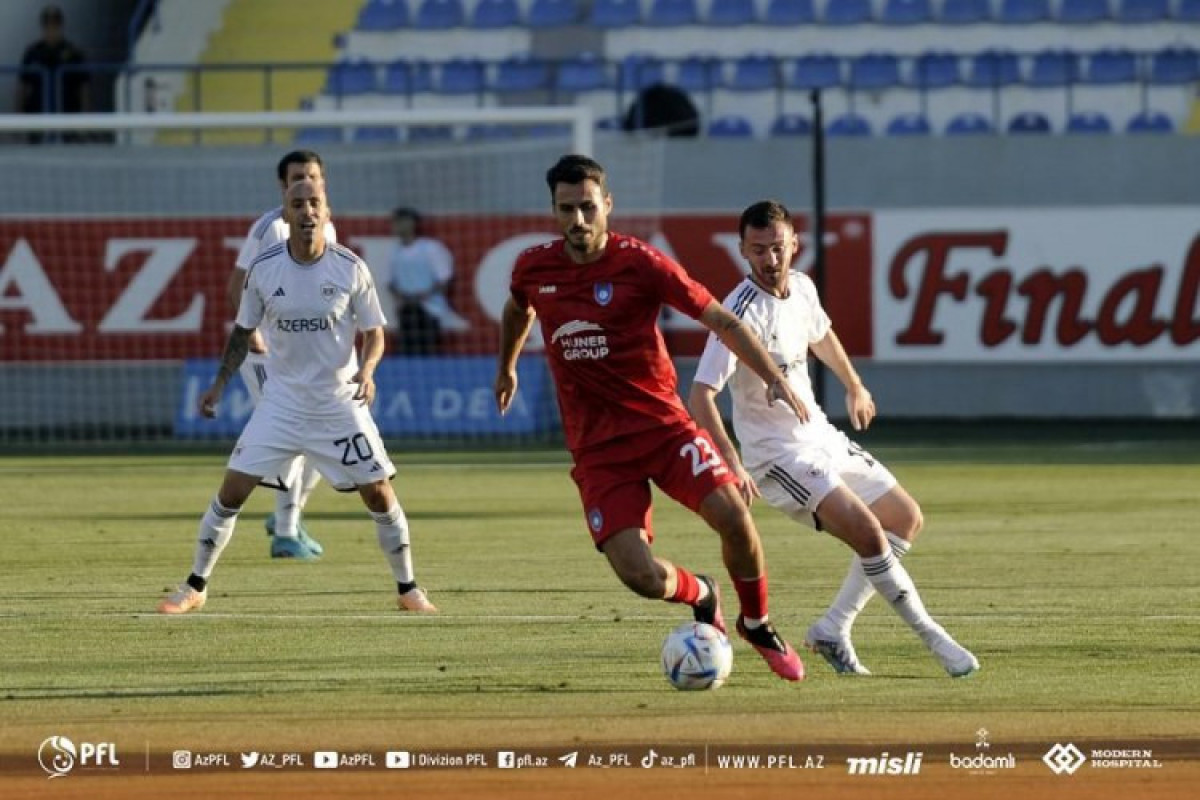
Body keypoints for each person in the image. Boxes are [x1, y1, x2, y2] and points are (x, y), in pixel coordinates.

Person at [494, 155, 808, 681]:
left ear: (607, 205)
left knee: (734, 515)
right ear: (553, 210)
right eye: (566, 209)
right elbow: (517, 309)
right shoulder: (533, 267)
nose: (578, 220)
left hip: (662, 427)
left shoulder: (641, 263)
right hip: (597, 450)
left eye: (587, 207)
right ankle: (702, 592)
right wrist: (506, 367)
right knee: (638, 576)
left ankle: (757, 622)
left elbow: (720, 319)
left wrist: (773, 373)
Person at [688, 200, 979, 678]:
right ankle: (934, 637)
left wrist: (854, 385)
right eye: (758, 250)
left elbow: (822, 336)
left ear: (794, 245)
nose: (769, 259)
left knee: (904, 518)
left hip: (819, 434)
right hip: (777, 456)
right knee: (867, 532)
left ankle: (832, 627)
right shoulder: (738, 313)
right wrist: (732, 461)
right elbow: (701, 395)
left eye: (777, 247)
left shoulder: (801, 288)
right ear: (742, 250)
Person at [158, 180, 436, 616]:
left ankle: (409, 590)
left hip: (338, 403)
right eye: (297, 204)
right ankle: (195, 586)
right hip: (281, 403)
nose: (307, 211)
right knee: (232, 490)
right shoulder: (265, 269)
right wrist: (218, 385)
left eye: (315, 204)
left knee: (379, 493)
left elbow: (375, 333)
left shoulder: (350, 267)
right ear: (284, 216)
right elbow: (242, 332)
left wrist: (367, 370)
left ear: (327, 213)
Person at [230, 150, 336, 560]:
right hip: (267, 356)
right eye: (296, 178)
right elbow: (236, 284)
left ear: (323, 182)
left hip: (307, 357)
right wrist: (252, 332)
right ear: (282, 186)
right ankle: (286, 531)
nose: (305, 183)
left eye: (312, 176)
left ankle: (287, 517)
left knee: (323, 434)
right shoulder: (272, 227)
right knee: (294, 437)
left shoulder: (327, 225)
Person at [386, 206, 468, 355]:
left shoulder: (431, 248)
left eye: (399, 221)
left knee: (427, 352)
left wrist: (422, 296)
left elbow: (445, 279)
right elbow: (391, 283)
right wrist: (403, 297)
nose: (395, 226)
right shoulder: (395, 251)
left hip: (429, 311)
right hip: (405, 311)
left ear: (411, 223)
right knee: (405, 353)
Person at [17, 5, 89, 143]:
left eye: (55, 25)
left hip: (68, 116)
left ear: (61, 26)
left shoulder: (74, 53)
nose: (51, 29)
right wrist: (19, 118)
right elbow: (22, 86)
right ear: (42, 27)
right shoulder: (32, 53)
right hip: (37, 116)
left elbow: (83, 88)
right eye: (47, 25)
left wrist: (85, 118)